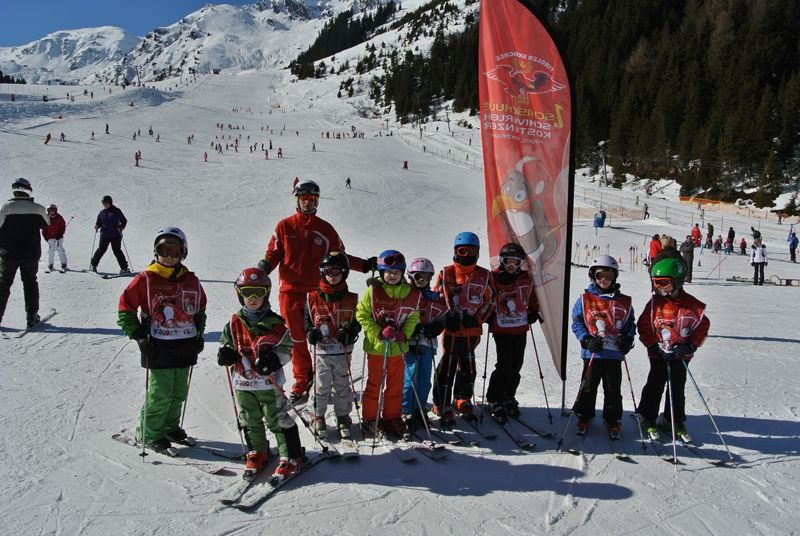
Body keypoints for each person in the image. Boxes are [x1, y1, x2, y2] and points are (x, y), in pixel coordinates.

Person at [257, 180, 375, 404]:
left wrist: (364, 265)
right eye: (304, 199)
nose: (308, 203)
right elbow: (273, 253)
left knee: (325, 335)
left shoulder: (325, 229)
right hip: (290, 291)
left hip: (317, 292)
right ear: (297, 200)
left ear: (317, 201)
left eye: (312, 199)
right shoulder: (285, 226)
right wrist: (263, 268)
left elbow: (340, 258)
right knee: (297, 337)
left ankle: (330, 377)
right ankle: (303, 379)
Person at [116, 227, 207, 453]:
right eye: (162, 250)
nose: (168, 256)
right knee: (161, 393)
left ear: (182, 253)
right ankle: (149, 432)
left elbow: (199, 310)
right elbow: (125, 308)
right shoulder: (146, 279)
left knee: (178, 392)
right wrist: (138, 336)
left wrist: (199, 334)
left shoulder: (191, 280)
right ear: (155, 252)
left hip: (185, 343)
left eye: (174, 251)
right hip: (158, 345)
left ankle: (169, 426)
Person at [217, 267, 305, 480]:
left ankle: (291, 455)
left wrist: (274, 360)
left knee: (277, 417)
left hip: (268, 382)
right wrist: (225, 353)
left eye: (258, 292)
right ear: (240, 294)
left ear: (266, 293)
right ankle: (258, 451)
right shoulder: (233, 322)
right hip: (243, 382)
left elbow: (286, 348)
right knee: (249, 417)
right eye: (248, 292)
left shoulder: (275, 323)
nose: (253, 298)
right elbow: (227, 342)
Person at [637, 257, 710, 442]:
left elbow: (702, 325)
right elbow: (643, 325)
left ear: (677, 281)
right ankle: (647, 416)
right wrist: (653, 345)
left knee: (677, 388)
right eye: (656, 283)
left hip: (680, 355)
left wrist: (690, 345)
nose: (660, 287)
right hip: (658, 353)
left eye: (664, 283)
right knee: (655, 383)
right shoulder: (654, 304)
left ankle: (673, 420)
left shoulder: (692, 305)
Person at [355, 250, 421, 437]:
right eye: (389, 272)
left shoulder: (410, 292)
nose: (392, 276)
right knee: (375, 384)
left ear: (402, 273)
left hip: (398, 349)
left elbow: (413, 315)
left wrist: (405, 334)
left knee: (395, 385)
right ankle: (369, 417)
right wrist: (377, 332)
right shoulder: (373, 291)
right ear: (381, 272)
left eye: (397, 272)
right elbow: (362, 314)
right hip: (377, 348)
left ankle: (392, 417)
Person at [431, 232, 495, 425]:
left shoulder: (484, 276)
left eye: (471, 251)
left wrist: (477, 319)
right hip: (451, 330)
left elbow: (490, 301)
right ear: (455, 251)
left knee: (468, 364)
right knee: (448, 364)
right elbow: (438, 300)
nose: (466, 255)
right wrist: (445, 319)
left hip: (472, 331)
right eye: (462, 251)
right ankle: (441, 402)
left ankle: (462, 397)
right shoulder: (447, 273)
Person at [570, 255, 636, 438]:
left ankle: (613, 418)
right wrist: (586, 340)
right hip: (594, 353)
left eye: (608, 276)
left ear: (614, 276)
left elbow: (630, 323)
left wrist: (627, 339)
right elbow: (577, 322)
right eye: (600, 276)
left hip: (614, 354)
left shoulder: (624, 301)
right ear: (594, 277)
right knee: (589, 386)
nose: (604, 280)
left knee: (613, 388)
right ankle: (584, 415)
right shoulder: (585, 299)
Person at [304, 252, 361, 439]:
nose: (332, 275)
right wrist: (310, 332)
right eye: (328, 271)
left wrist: (350, 332)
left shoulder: (352, 299)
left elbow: (358, 321)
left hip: (341, 351)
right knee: (321, 384)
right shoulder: (312, 297)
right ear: (322, 272)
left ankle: (343, 416)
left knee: (342, 384)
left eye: (336, 271)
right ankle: (317, 415)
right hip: (321, 351)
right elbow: (306, 320)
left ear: (344, 273)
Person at [486, 243, 541, 423]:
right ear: (501, 261)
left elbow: (532, 298)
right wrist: (488, 314)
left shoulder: (525, 279)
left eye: (515, 263)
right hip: (501, 329)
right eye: (508, 262)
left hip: (520, 328)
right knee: (504, 365)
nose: (511, 266)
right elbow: (486, 296)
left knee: (516, 365)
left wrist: (533, 311)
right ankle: (495, 398)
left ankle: (509, 395)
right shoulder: (494, 278)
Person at [402, 257, 446, 431]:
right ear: (411, 277)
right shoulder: (406, 294)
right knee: (409, 378)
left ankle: (420, 410)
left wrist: (436, 327)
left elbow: (442, 317)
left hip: (427, 344)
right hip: (408, 344)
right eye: (418, 276)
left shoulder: (434, 297)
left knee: (424, 380)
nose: (422, 280)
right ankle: (406, 410)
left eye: (426, 277)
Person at [0, 178, 49, 329]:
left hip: (8, 253)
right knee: (30, 282)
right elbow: (46, 224)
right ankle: (32, 317)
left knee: (3, 284)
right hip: (31, 253)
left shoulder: (5, 207)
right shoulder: (38, 208)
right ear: (28, 190)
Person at [91, 195, 130, 274]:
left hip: (115, 235)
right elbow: (99, 222)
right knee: (101, 250)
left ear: (110, 203)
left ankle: (124, 268)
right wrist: (97, 225)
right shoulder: (102, 213)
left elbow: (124, 221)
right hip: (104, 235)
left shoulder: (117, 211)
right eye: (103, 203)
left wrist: (121, 227)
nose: (105, 205)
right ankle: (93, 265)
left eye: (106, 203)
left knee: (117, 251)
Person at [42, 204, 68, 273]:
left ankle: (63, 264)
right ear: (48, 211)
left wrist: (60, 234)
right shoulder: (47, 218)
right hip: (50, 238)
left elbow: (63, 227)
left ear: (56, 211)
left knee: (60, 249)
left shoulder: (59, 217)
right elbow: (44, 228)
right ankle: (50, 264)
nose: (52, 212)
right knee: (51, 251)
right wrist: (45, 237)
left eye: (53, 210)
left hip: (58, 238)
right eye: (50, 211)